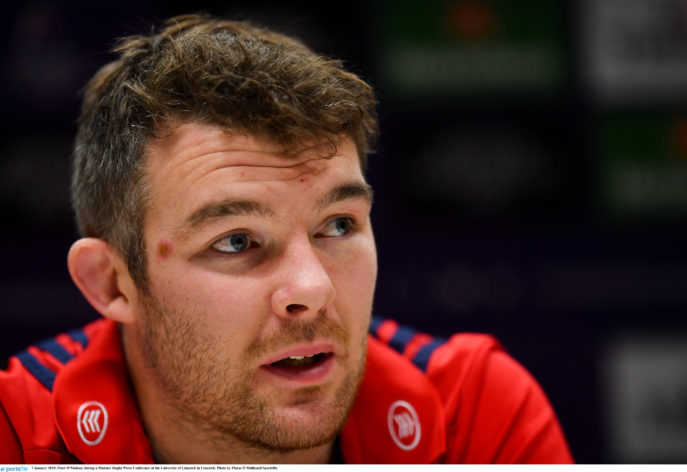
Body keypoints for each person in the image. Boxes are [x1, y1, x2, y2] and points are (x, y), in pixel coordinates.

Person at [0, 13, 573, 464]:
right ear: (111, 282)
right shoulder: (16, 434)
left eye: (339, 225)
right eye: (236, 241)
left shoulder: (473, 413)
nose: (312, 288)